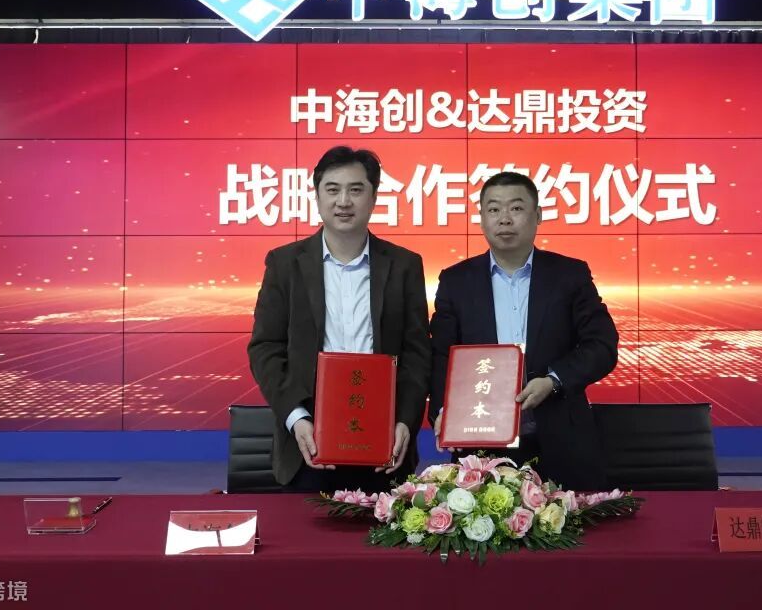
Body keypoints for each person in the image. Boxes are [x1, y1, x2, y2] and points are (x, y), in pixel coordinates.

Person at [248, 146, 431, 493]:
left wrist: (405, 420)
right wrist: (296, 417)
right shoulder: (285, 264)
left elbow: (417, 352)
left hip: (385, 443)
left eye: (355, 190)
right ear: (317, 196)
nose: (343, 201)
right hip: (309, 442)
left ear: (374, 197)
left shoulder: (405, 265)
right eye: (332, 189)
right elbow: (265, 348)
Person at [428, 171, 618, 490]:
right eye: (493, 209)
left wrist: (554, 381)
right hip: (482, 444)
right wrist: (444, 412)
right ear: (482, 218)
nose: (504, 219)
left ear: (538, 215)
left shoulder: (569, 275)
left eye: (516, 208)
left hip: (561, 440)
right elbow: (440, 356)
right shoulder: (456, 281)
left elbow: (601, 345)